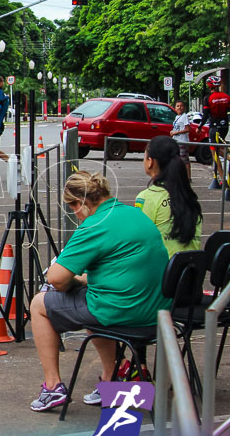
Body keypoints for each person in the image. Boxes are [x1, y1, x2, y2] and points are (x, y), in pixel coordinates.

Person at [28, 171, 170, 412]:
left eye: (72, 206)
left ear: (81, 203)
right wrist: (86, 282)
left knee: (39, 305)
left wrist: (76, 282)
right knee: (90, 299)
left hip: (123, 310)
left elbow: (56, 278)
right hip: (158, 310)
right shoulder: (135, 214)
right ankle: (112, 377)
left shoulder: (94, 225)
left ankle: (53, 387)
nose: (74, 213)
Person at [135, 136, 203, 258]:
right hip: (190, 271)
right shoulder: (189, 197)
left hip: (161, 272)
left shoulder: (146, 197)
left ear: (150, 162)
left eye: (144, 157)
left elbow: (139, 240)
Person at [199, 75, 229, 191]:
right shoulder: (226, 97)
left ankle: (222, 179)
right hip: (224, 126)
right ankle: (221, 178)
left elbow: (206, 115)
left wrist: (200, 126)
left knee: (214, 152)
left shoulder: (208, 98)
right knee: (220, 147)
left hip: (214, 128)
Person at [170, 99, 192, 178]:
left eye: (181, 106)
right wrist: (173, 132)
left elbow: (188, 129)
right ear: (175, 108)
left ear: (184, 108)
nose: (179, 108)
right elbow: (178, 128)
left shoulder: (184, 116)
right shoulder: (177, 117)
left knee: (184, 160)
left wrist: (176, 133)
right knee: (177, 159)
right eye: (178, 106)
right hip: (176, 141)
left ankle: (188, 177)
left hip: (182, 141)